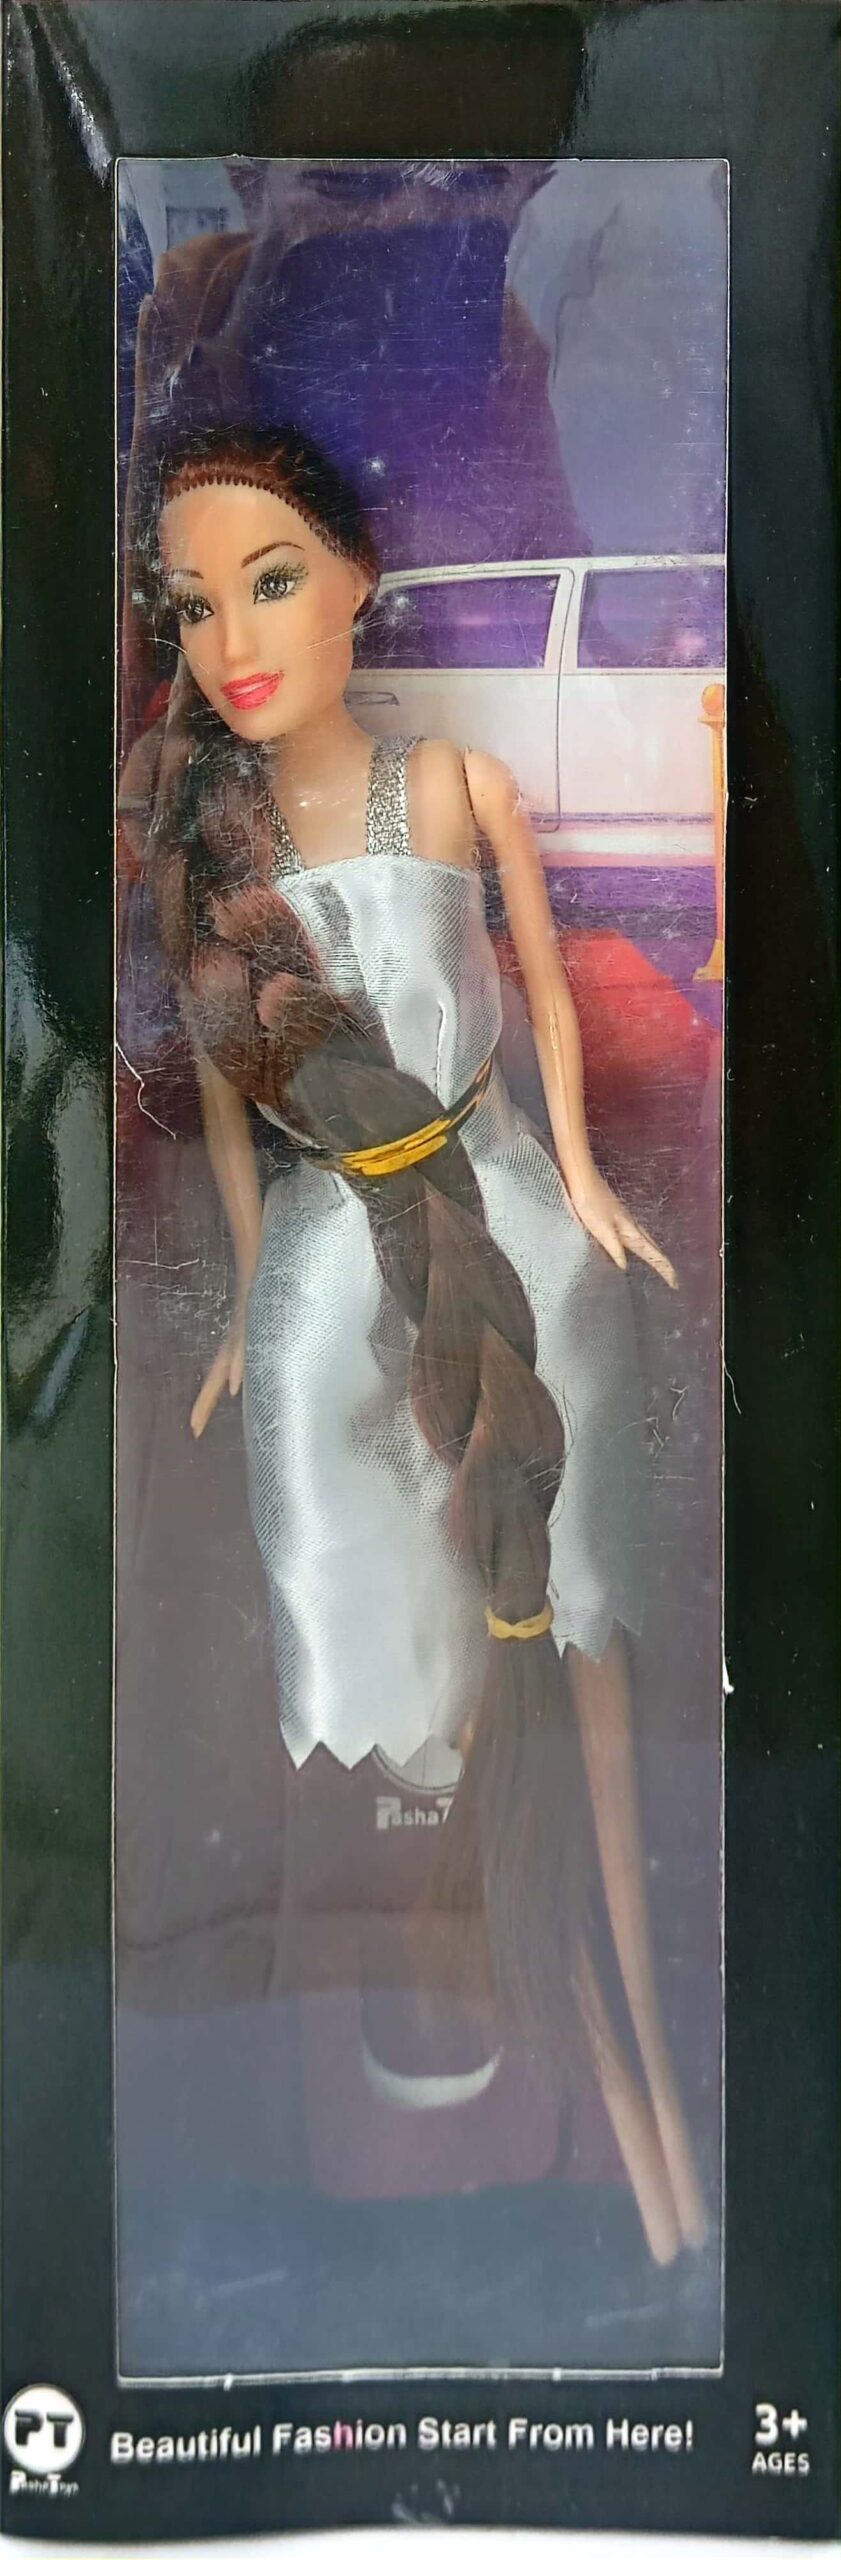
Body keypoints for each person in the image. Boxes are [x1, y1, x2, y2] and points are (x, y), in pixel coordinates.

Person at [119, 421, 705, 2269]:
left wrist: (585, 1176)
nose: (233, 641)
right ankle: (398, 2083)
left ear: (360, 582)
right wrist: (244, 1302)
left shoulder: (453, 784)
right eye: (192, 606)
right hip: (330, 1286)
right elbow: (235, 1119)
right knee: (389, 1711)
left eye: (272, 581)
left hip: (508, 1231)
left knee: (575, 1649)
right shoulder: (213, 865)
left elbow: (541, 997)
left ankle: (656, 2128)